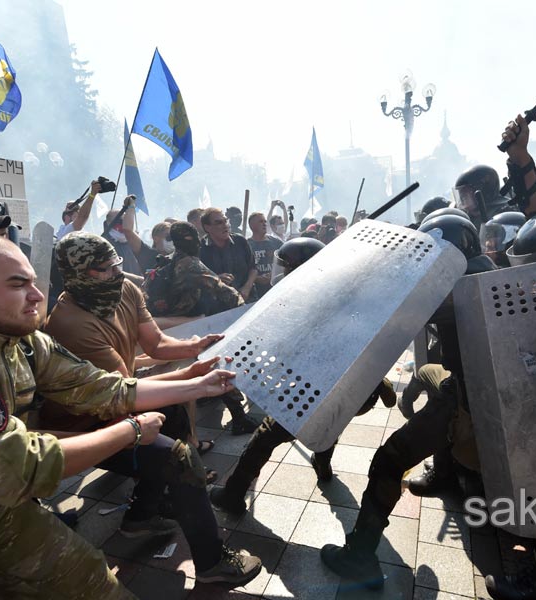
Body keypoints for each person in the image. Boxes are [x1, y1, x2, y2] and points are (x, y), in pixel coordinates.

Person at [0, 231, 256, 598]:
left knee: (93, 584)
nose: (38, 295)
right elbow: (22, 468)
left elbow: (102, 385)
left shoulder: (20, 340)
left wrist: (199, 385)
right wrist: (131, 431)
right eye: (17, 284)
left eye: (32, 281)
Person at [41, 233, 262, 585]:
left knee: (172, 414)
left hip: (119, 399)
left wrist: (195, 345)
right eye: (103, 269)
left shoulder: (124, 290)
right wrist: (193, 379)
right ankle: (211, 562)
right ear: (76, 274)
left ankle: (141, 516)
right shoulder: (71, 323)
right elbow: (122, 393)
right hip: (85, 426)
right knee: (178, 458)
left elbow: (156, 342)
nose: (117, 273)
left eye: (117, 263)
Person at [319, 216, 486, 589]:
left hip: (467, 400)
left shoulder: (454, 287)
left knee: (388, 460)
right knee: (427, 375)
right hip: (482, 390)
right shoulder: (485, 271)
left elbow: (389, 317)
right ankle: (446, 474)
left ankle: (359, 557)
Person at [209, 237, 397, 516]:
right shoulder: (344, 295)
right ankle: (323, 465)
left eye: (287, 268)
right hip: (350, 392)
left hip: (320, 389)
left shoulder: (311, 305)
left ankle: (233, 495)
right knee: (329, 424)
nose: (282, 274)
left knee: (265, 437)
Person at [144, 222, 258, 436]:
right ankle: (239, 417)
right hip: (186, 325)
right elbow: (221, 289)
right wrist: (245, 309)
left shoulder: (168, 261)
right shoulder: (189, 263)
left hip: (167, 327)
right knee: (215, 358)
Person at [199, 207, 257, 301]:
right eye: (218, 223)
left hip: (247, 300)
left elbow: (253, 268)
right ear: (207, 227)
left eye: (225, 221)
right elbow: (196, 279)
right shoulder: (201, 249)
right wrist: (215, 279)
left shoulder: (240, 241)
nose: (225, 225)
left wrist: (247, 288)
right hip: (219, 307)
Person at [246, 211, 282, 298]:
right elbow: (242, 270)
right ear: (252, 226)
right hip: (256, 294)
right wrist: (257, 278)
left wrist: (275, 274)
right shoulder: (246, 245)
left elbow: (286, 263)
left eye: (265, 221)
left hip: (275, 290)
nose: (264, 224)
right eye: (260, 222)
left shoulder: (276, 242)